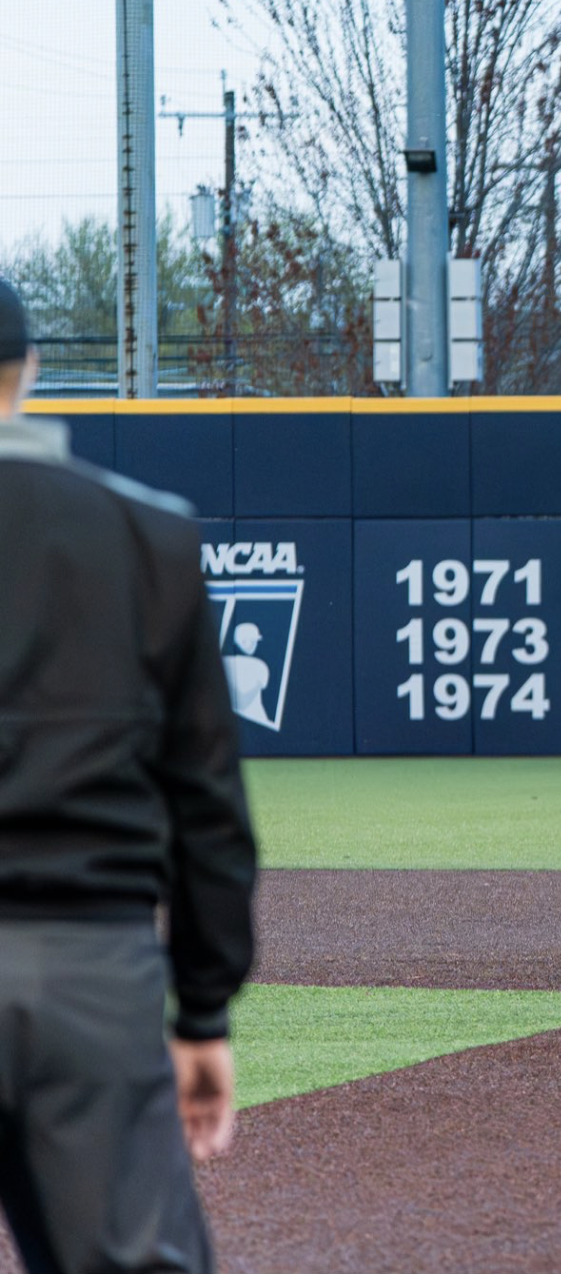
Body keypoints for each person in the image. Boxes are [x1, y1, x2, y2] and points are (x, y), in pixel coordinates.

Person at [0, 276, 259, 1274]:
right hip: (90, 973)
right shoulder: (148, 533)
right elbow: (207, 798)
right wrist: (204, 1009)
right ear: (29, 371)